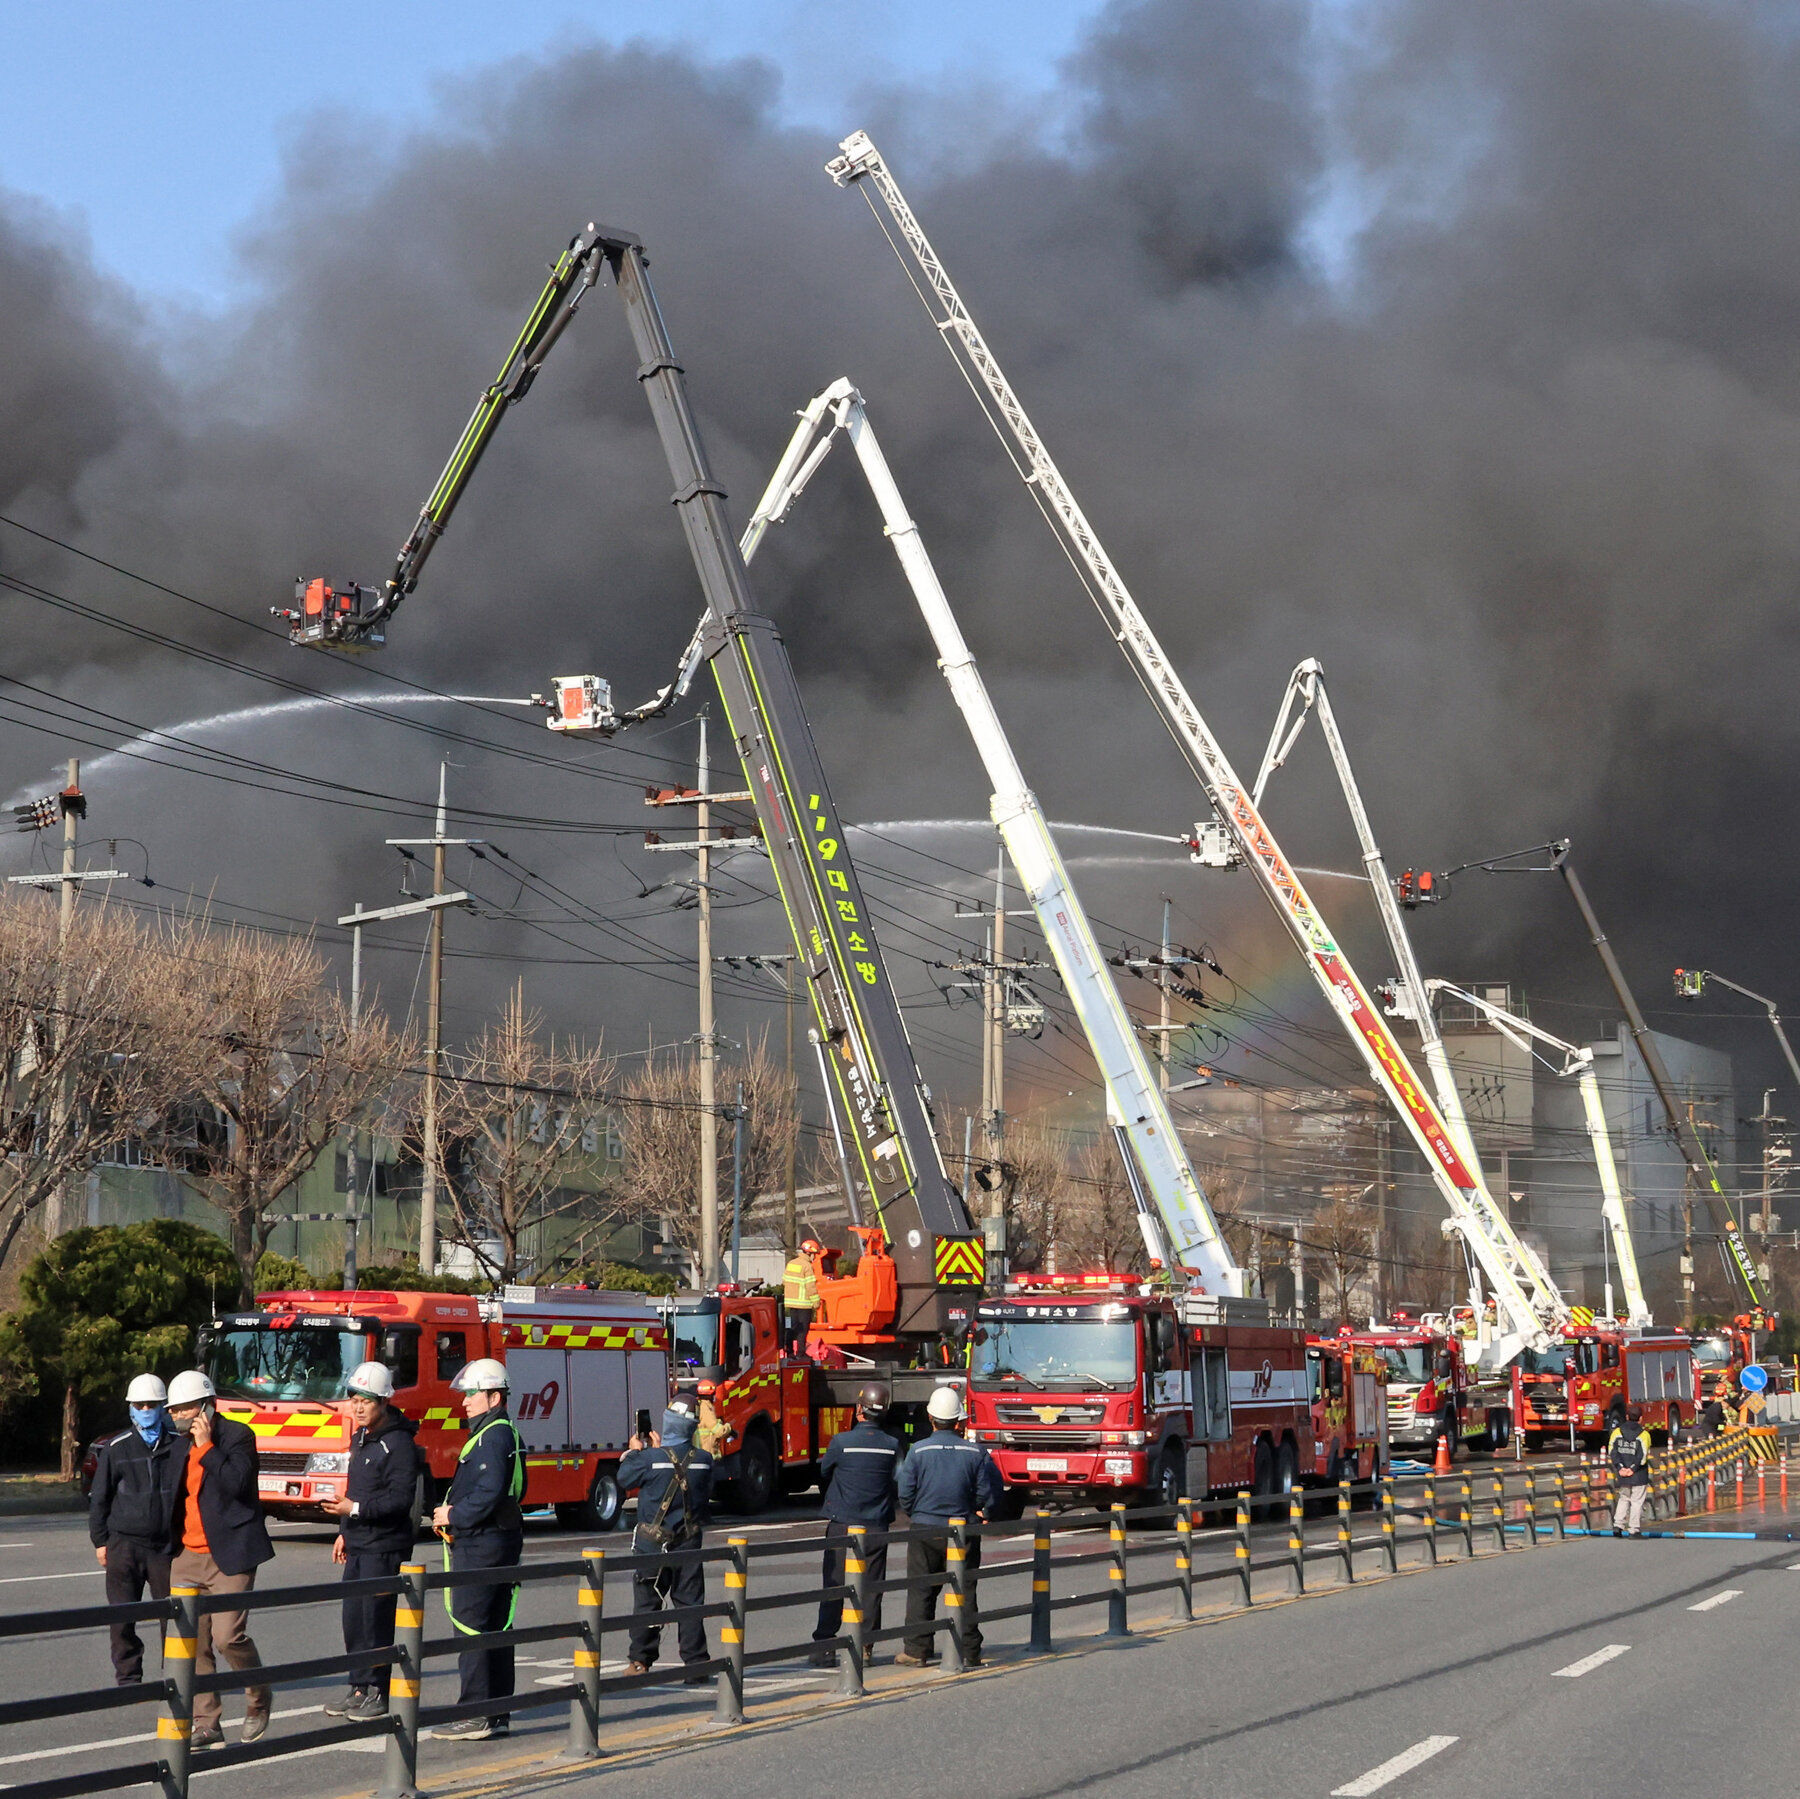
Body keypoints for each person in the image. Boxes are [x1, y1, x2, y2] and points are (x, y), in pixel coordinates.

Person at [165, 1369, 274, 1750]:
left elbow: (238, 1484)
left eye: (183, 1409)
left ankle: (259, 1699)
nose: (176, 1416)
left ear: (205, 1407)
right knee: (191, 1642)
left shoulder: (237, 1435)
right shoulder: (177, 1445)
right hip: (187, 1555)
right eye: (172, 1410)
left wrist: (208, 1447)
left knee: (228, 1637)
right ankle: (206, 1721)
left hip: (230, 1552)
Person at [425, 1359, 524, 1743]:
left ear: (494, 1396)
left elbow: (490, 1491)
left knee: (472, 1625)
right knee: (495, 1625)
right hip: (496, 1540)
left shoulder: (493, 1436)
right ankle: (496, 1712)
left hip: (482, 1545)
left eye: (472, 1394)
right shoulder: (502, 1433)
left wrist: (453, 1513)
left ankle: (476, 1713)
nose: (465, 1402)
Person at [324, 1361, 422, 1722]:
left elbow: (400, 1499)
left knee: (376, 1620)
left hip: (385, 1544)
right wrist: (343, 1530)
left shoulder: (399, 1443)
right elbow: (355, 1491)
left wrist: (358, 1509)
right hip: (359, 1542)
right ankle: (358, 1686)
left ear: (383, 1401)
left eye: (366, 1400)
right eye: (354, 1399)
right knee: (353, 1620)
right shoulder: (360, 1438)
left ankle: (379, 1689)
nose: (358, 1407)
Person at [895, 1386, 1002, 1669]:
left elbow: (905, 1492)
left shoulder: (918, 1450)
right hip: (962, 1529)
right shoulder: (975, 1452)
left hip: (924, 1526)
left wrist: (918, 1512)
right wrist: (982, 1511)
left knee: (921, 1590)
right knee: (964, 1589)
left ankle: (916, 1650)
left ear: (930, 1417)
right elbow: (989, 1491)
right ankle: (968, 1650)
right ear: (960, 1421)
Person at [89, 1373, 181, 1688]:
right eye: (139, 1405)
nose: (146, 1410)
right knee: (122, 1618)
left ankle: (175, 1676)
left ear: (163, 1407)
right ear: (130, 1408)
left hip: (165, 1549)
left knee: (172, 1617)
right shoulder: (117, 1448)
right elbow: (100, 1499)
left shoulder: (180, 1447)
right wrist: (101, 1542)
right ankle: (128, 1678)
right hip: (123, 1546)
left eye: (152, 1404)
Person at [616, 1396, 715, 1678]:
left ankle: (640, 1661)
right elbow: (705, 1495)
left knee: (647, 1602)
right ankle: (696, 1665)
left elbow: (624, 1479)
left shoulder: (648, 1459)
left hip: (652, 1543)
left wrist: (636, 1451)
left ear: (668, 1423)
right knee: (690, 1603)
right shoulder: (704, 1461)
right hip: (688, 1542)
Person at [810, 1382, 900, 1668]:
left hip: (842, 1522)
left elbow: (824, 1470)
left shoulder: (841, 1441)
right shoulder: (892, 1445)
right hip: (876, 1524)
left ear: (859, 1409)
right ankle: (865, 1646)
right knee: (872, 1587)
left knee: (834, 1584)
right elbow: (898, 1479)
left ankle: (825, 1646)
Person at [1608, 1403, 1654, 1538]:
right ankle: (1633, 1529)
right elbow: (1643, 1455)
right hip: (1638, 1474)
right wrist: (1632, 1469)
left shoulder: (1617, 1432)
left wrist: (1621, 1467)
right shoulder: (1644, 1434)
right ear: (1641, 1418)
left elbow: (1612, 1451)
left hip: (1622, 1473)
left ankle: (1618, 1525)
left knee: (1623, 1498)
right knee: (1636, 1501)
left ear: (1626, 1417)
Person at [783, 1241, 821, 1355]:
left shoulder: (791, 1263)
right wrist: (816, 1303)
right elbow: (810, 1286)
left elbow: (784, 1281)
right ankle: (800, 1353)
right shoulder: (807, 1266)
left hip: (791, 1303)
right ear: (810, 1253)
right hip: (804, 1303)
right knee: (803, 1330)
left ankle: (788, 1350)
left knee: (794, 1327)